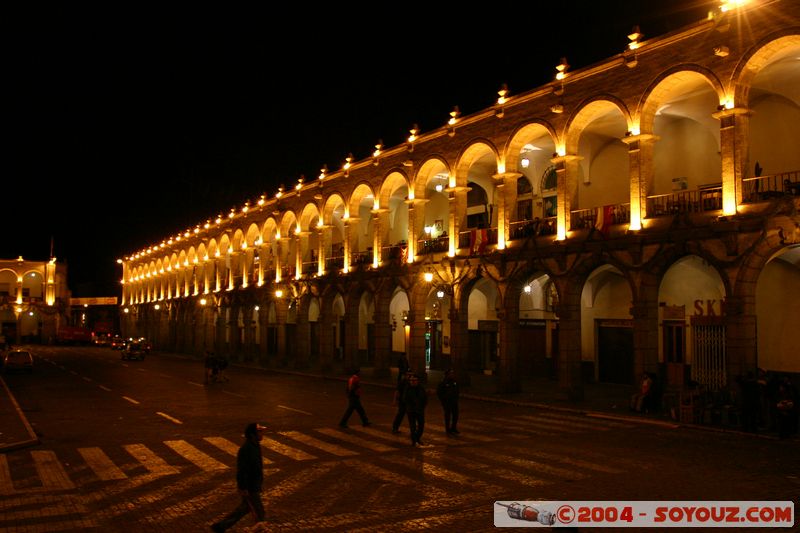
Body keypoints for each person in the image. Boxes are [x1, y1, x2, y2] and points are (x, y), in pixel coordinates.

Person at [211, 422, 267, 532]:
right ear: (252, 434)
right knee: (259, 511)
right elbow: (242, 470)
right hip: (250, 486)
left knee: (245, 508)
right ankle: (260, 528)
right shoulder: (246, 449)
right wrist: (243, 487)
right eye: (259, 431)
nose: (262, 434)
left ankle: (220, 526)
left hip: (255, 484)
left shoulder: (255, 445)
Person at [403, 373, 428, 447]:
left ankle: (417, 438)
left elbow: (425, 398)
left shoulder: (421, 388)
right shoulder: (407, 389)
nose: (413, 382)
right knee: (413, 426)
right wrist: (410, 406)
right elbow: (404, 399)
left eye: (414, 380)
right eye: (411, 380)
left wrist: (422, 406)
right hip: (411, 411)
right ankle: (414, 441)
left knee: (421, 426)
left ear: (418, 381)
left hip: (420, 410)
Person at [437, 368, 460, 435]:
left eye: (453, 373)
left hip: (454, 401)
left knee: (455, 415)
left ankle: (453, 428)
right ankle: (448, 429)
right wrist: (443, 400)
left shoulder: (454, 382)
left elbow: (457, 390)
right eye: (450, 373)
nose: (452, 375)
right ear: (447, 375)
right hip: (447, 402)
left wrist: (456, 398)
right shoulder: (443, 382)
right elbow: (439, 393)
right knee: (447, 416)